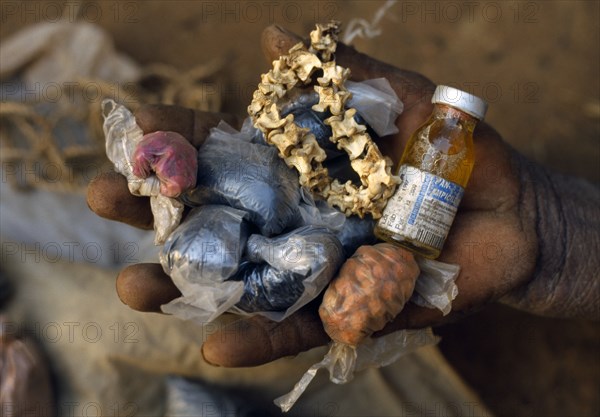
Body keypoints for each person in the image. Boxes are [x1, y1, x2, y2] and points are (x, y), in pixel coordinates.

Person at [87, 25, 599, 368]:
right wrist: (548, 229)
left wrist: (543, 221)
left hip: (338, 216)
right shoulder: (257, 215)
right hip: (323, 222)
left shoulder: (290, 199)